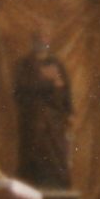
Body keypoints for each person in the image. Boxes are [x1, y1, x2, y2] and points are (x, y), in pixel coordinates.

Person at [12, 44, 75, 189]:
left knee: (56, 152)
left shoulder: (56, 63)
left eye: (45, 36)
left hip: (54, 120)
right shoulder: (25, 64)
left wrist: (69, 110)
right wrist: (48, 82)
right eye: (40, 36)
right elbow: (19, 92)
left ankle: (57, 183)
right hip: (32, 118)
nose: (43, 38)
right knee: (33, 149)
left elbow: (64, 89)